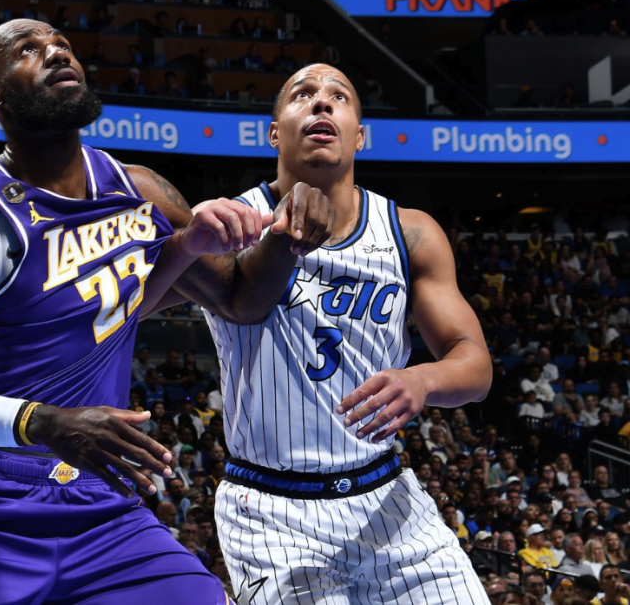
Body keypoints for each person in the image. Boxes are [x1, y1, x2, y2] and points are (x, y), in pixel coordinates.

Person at [0, 19, 267, 605]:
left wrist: (192, 245)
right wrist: (46, 423)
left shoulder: (141, 192)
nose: (56, 54)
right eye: (29, 50)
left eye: (63, 46)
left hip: (103, 505)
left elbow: (196, 302)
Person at [166, 63, 492, 602]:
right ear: (275, 133)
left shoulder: (410, 231)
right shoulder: (229, 223)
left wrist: (424, 380)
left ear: (359, 135)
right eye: (303, 94)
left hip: (388, 500)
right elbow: (129, 308)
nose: (321, 102)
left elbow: (475, 364)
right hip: (270, 511)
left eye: (338, 96)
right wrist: (184, 247)